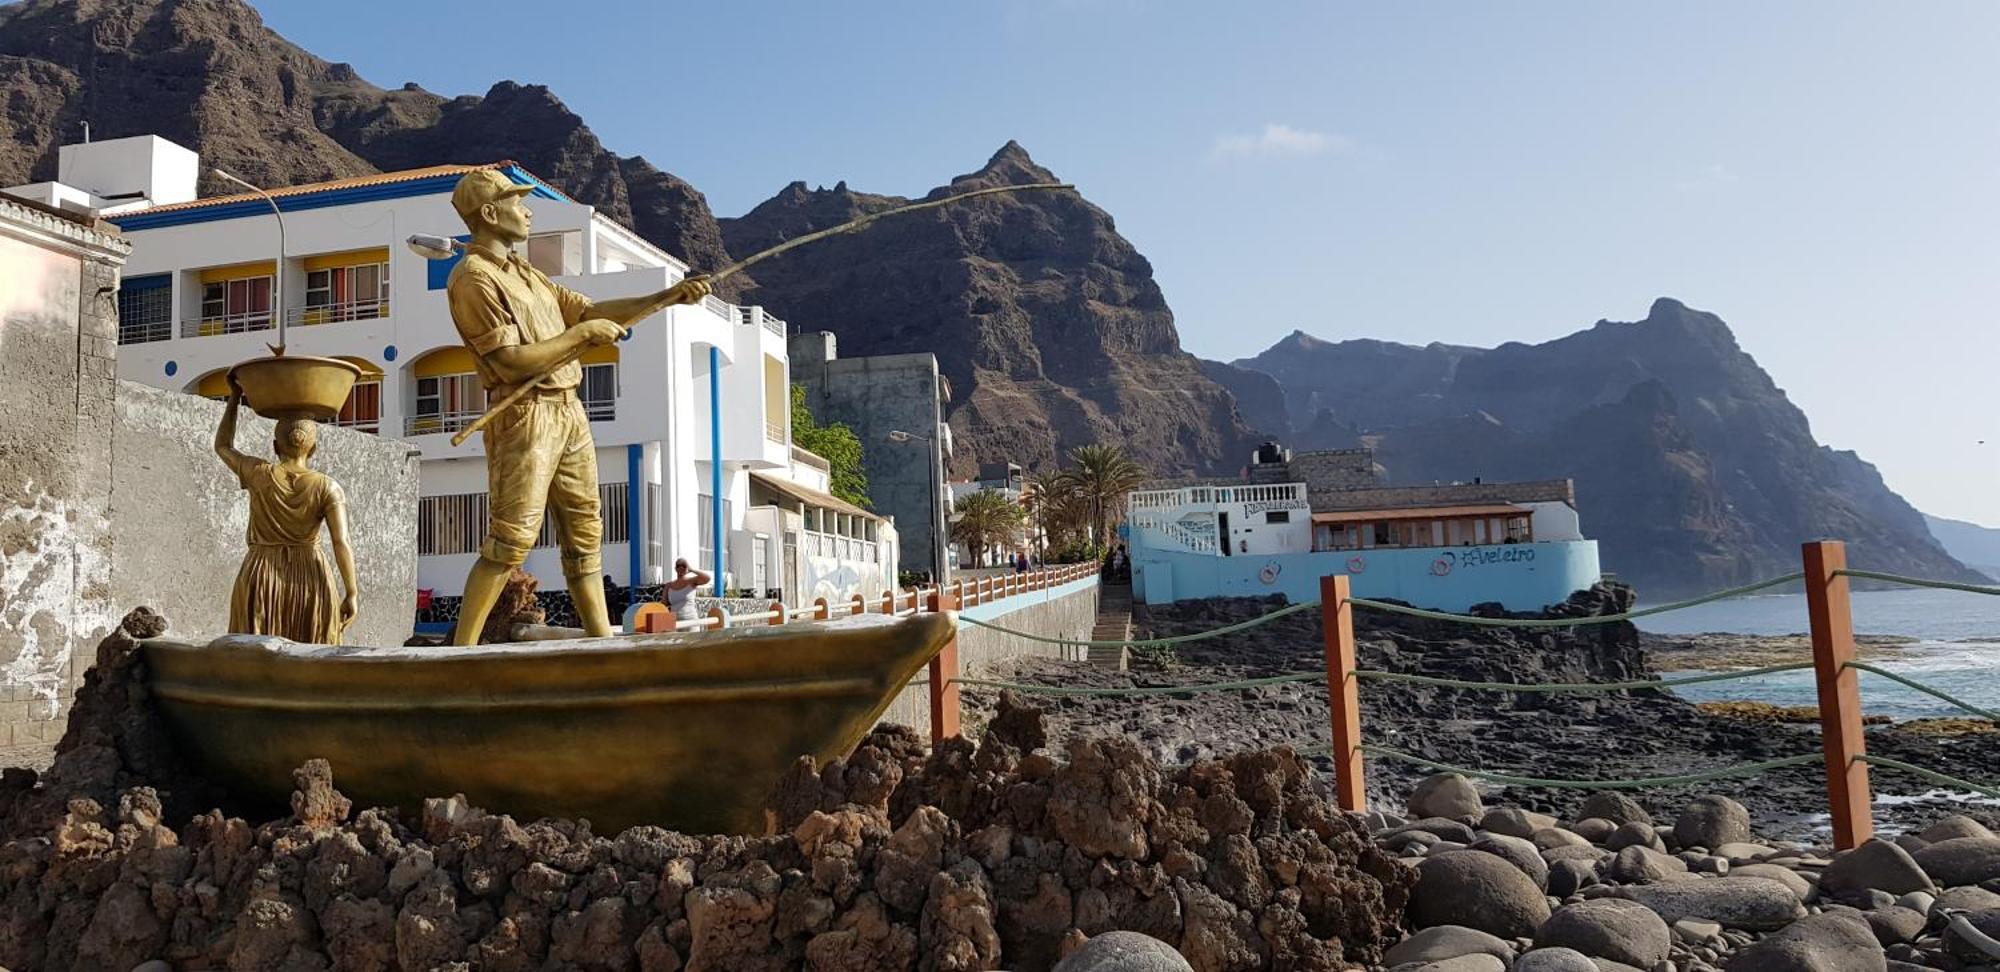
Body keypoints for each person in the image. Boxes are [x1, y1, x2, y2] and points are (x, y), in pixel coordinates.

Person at [442, 169, 712, 645]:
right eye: (517, 203)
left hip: (569, 411)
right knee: (510, 540)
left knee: (586, 535)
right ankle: (460, 650)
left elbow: (590, 313)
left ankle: (600, 642)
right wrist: (581, 338)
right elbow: (509, 363)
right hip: (524, 414)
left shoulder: (529, 274)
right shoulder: (472, 279)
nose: (526, 211)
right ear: (489, 213)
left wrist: (665, 298)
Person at [213, 375, 359, 643]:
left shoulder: (258, 472)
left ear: (274, 446)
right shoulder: (329, 487)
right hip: (312, 575)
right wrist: (351, 591)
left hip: (262, 570)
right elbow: (341, 541)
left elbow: (222, 446)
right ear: (313, 449)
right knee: (314, 654)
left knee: (254, 653)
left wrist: (234, 397)